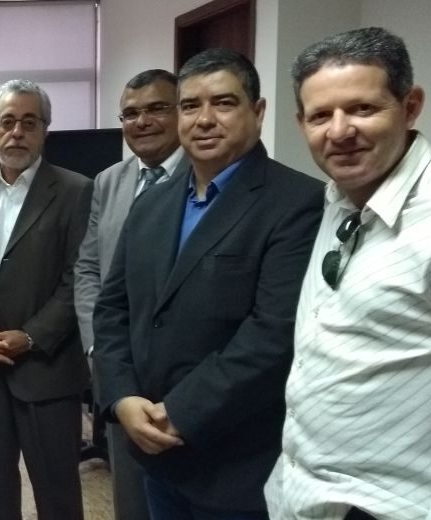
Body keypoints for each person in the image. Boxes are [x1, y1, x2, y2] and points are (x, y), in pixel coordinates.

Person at [93, 48, 323, 518]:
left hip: (239, 463)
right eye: (190, 105)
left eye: (223, 103)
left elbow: (273, 334)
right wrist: (122, 397)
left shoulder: (297, 202)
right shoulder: (152, 203)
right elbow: (114, 307)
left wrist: (178, 412)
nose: (204, 120)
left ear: (258, 111)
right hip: (156, 453)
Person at [265, 27, 431, 520]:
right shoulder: (339, 199)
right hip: (305, 496)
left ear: (410, 106)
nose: (339, 131)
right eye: (320, 116)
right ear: (301, 123)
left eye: (361, 108)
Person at [0, 79, 92, 520]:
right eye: (7, 121)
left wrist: (29, 337)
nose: (16, 133)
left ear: (45, 129)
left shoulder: (76, 190)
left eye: (29, 123)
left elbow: (78, 279)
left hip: (48, 369)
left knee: (57, 492)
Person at [74, 68, 187, 520]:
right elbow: (88, 268)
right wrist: (99, 349)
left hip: (187, 376)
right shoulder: (108, 181)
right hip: (120, 371)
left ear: (181, 111)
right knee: (132, 499)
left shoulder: (205, 176)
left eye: (157, 109)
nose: (142, 122)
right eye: (131, 113)